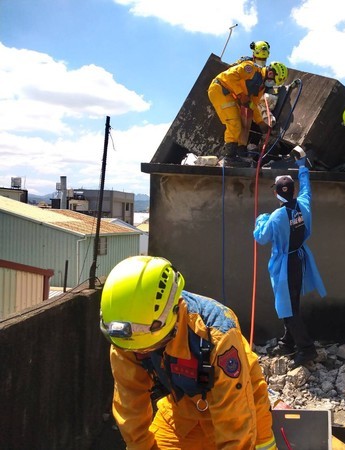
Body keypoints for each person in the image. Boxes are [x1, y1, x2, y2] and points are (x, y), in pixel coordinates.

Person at [100, 256, 276, 450]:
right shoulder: (128, 338)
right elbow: (130, 404)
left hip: (241, 405)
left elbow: (235, 421)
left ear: (174, 315)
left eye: (151, 347)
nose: (141, 353)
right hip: (183, 412)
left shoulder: (218, 334)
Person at [253, 156, 326, 367]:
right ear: (293, 191)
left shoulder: (276, 216)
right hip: (299, 259)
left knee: (288, 307)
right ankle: (288, 342)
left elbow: (261, 237)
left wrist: (261, 219)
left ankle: (306, 348)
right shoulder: (303, 205)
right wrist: (302, 167)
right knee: (291, 303)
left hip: (285, 266)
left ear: (276, 193)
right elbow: (307, 190)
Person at [208, 60, 288, 167]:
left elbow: (252, 105)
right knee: (234, 122)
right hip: (220, 89)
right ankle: (229, 157)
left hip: (230, 96)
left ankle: (239, 154)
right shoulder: (250, 68)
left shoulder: (260, 88)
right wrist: (241, 94)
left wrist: (261, 123)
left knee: (241, 125)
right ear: (270, 73)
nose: (272, 83)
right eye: (273, 81)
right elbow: (229, 76)